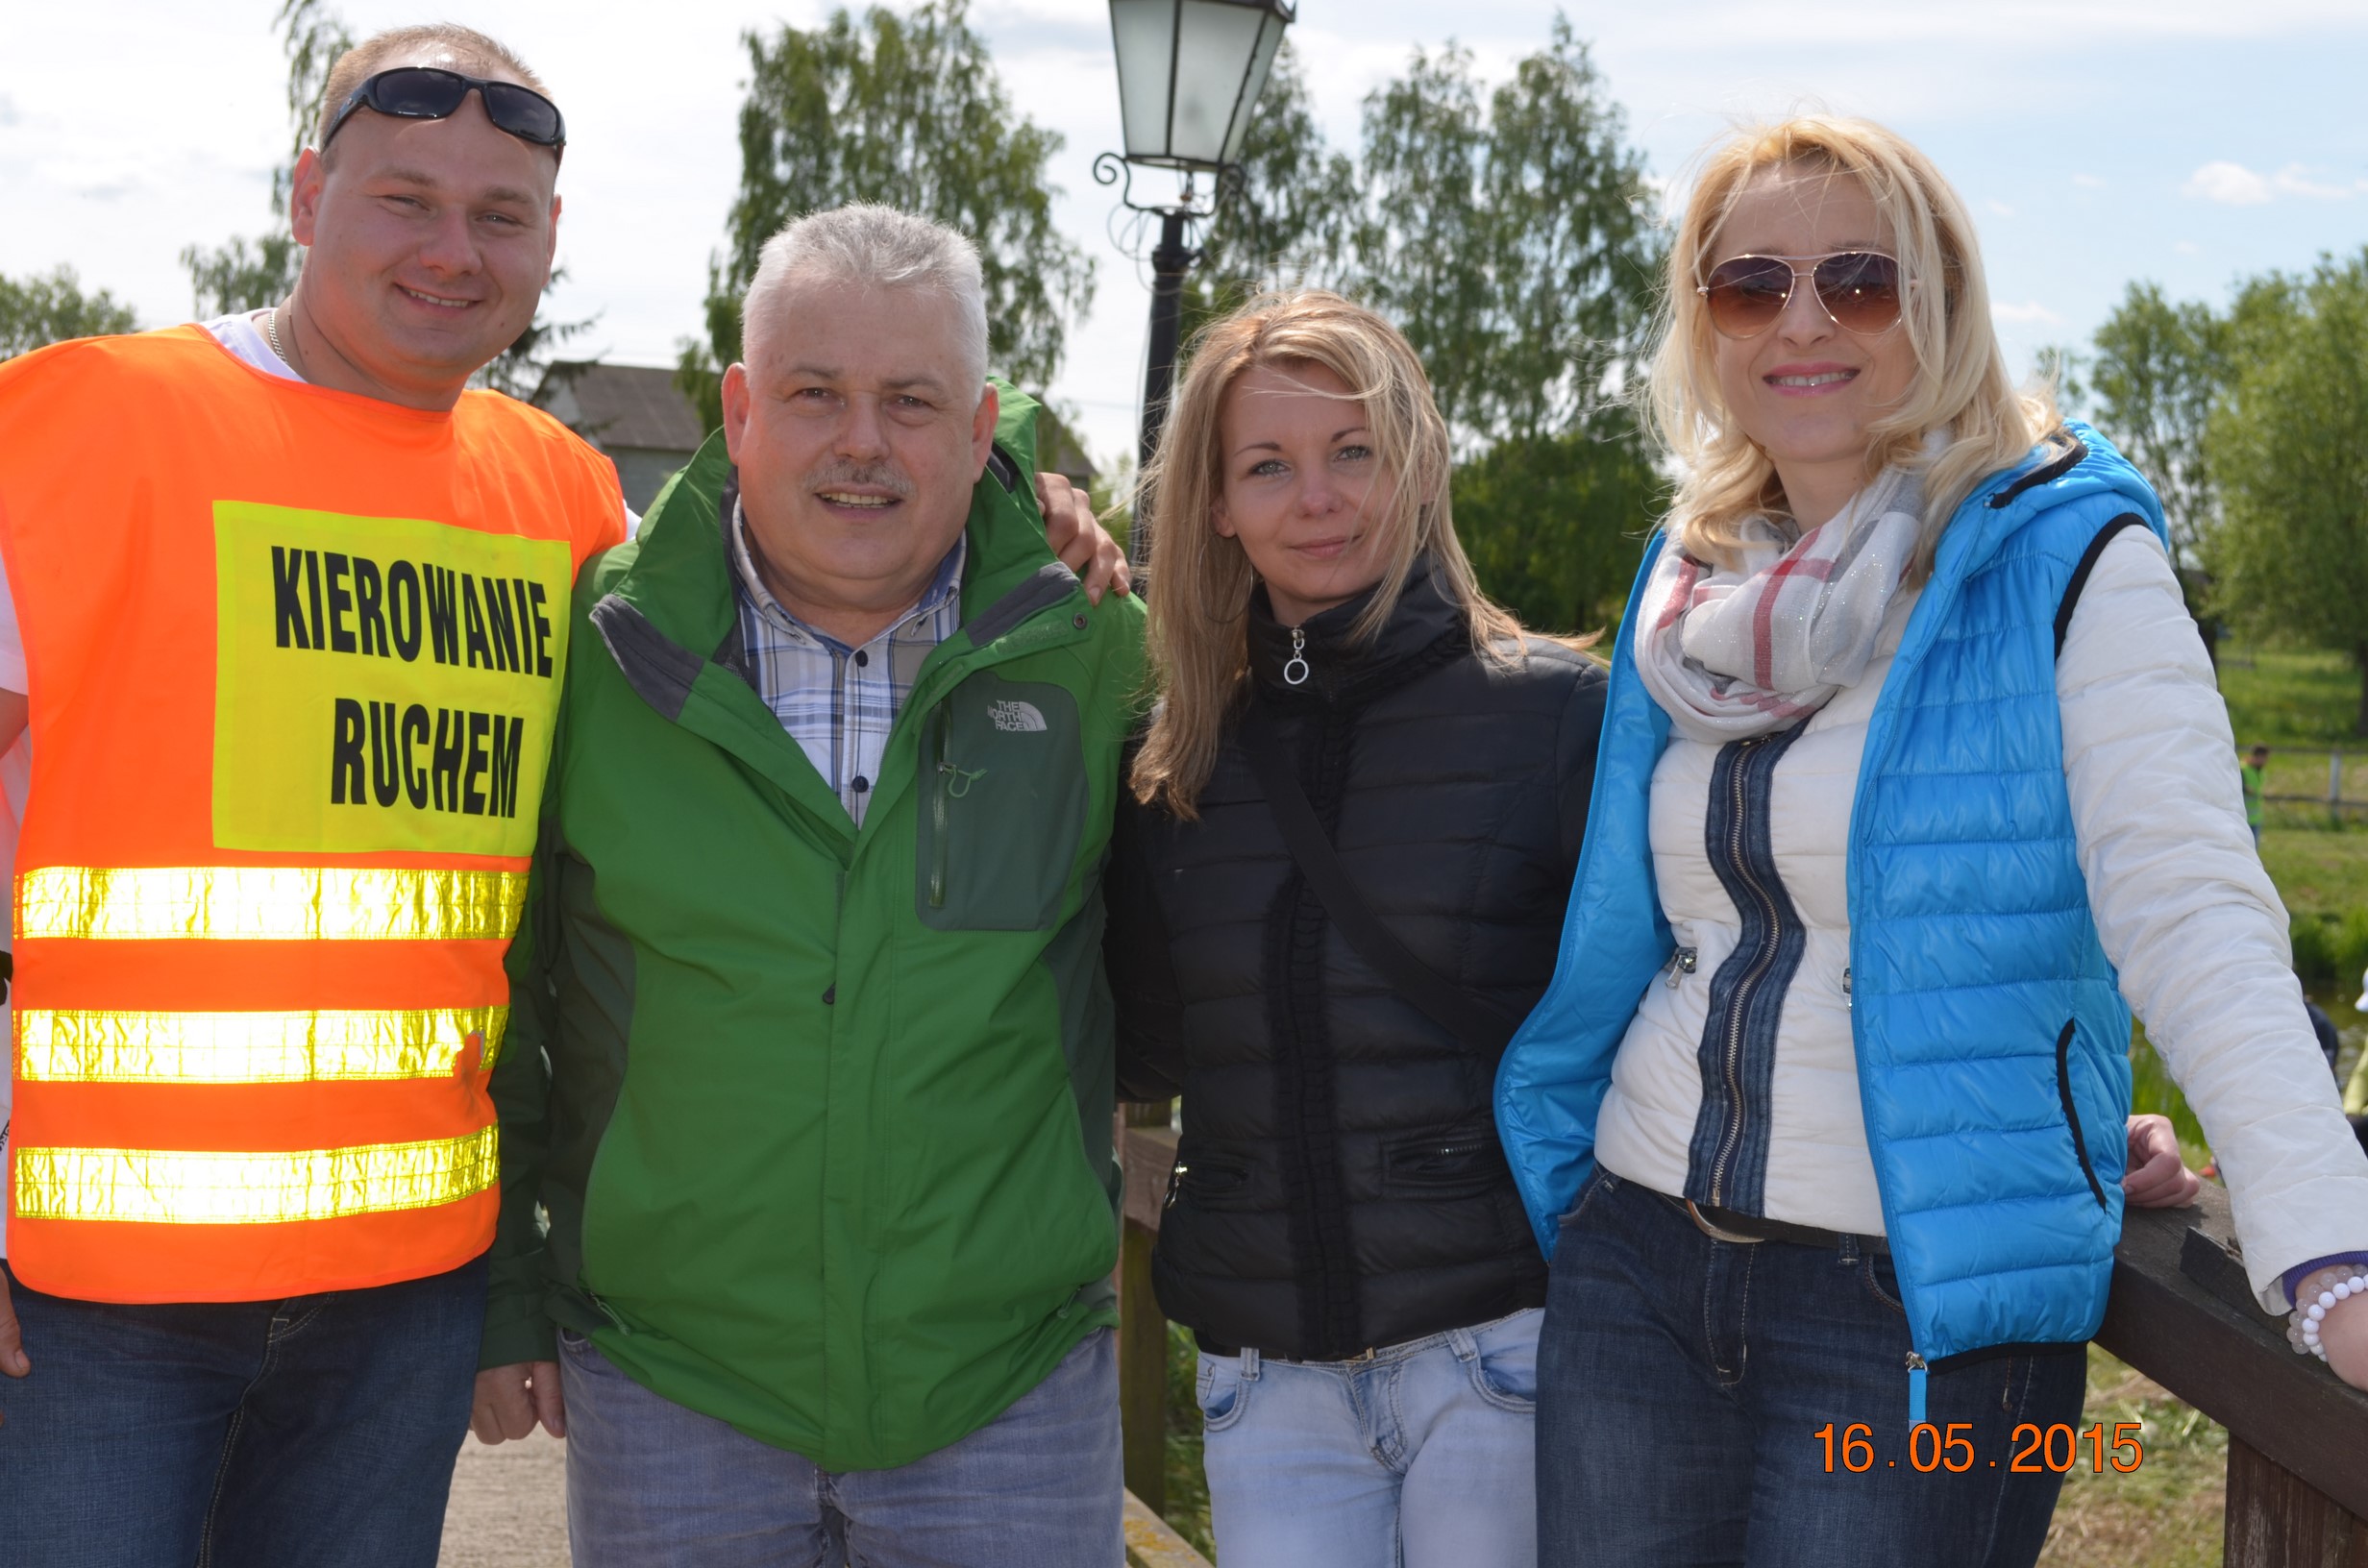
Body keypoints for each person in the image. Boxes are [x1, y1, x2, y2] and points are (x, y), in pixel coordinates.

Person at [0, 36, 1122, 1565]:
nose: (452, 252)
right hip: (87, 1292)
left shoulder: (565, 506)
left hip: (399, 1290)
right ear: (307, 196)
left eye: (501, 216)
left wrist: (1024, 507)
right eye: (407, 200)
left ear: (546, 243)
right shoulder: (78, 424)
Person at [1492, 115, 2368, 1568]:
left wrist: (2330, 1252)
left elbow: (2190, 905)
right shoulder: (1689, 576)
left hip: (1918, 1319)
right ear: (1704, 324)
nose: (1803, 321)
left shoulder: (2065, 556)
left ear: (1945, 303)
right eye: (1750, 286)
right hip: (1636, 1264)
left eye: (1861, 278)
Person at [472, 204, 1145, 1567]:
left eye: (912, 402)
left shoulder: (1097, 649)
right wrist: (503, 1296)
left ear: (982, 431)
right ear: (738, 411)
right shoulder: (594, 649)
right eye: (815, 394)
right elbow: (503, 990)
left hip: (1006, 1393)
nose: (861, 442)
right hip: (673, 1389)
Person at [1104, 290, 1605, 1568]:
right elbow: (1148, 1046)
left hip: (1498, 1347)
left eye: (1353, 452)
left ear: (1418, 465)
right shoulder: (1175, 763)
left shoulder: (1557, 718)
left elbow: (1673, 1007)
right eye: (1268, 466)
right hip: (1267, 1377)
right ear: (1217, 504)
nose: (1317, 499)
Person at [2243, 742, 2270, 846]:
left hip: (2256, 818)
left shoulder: (2261, 771)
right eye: (2264, 758)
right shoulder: (2243, 769)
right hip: (2243, 817)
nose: (2265, 761)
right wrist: (2245, 788)